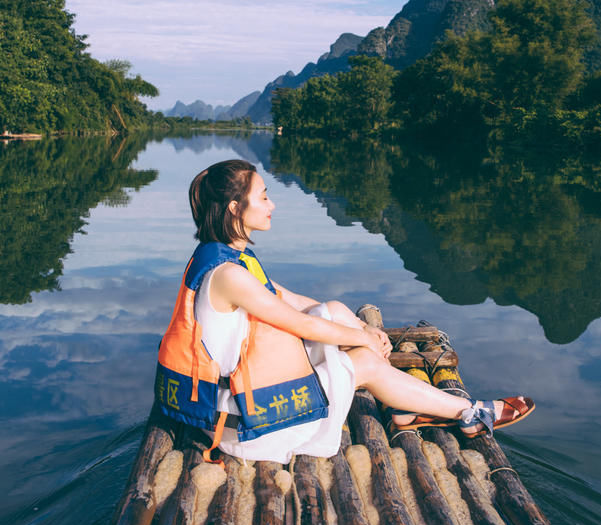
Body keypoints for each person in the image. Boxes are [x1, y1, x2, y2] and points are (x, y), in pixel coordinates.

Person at [155, 159, 533, 462]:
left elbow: (290, 299)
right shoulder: (228, 275)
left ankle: (406, 405)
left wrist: (360, 332)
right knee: (364, 364)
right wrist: (362, 337)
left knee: (334, 309)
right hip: (244, 424)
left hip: (240, 401)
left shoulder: (225, 256)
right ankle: (466, 414)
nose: (273, 205)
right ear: (236, 208)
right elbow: (298, 322)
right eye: (264, 197)